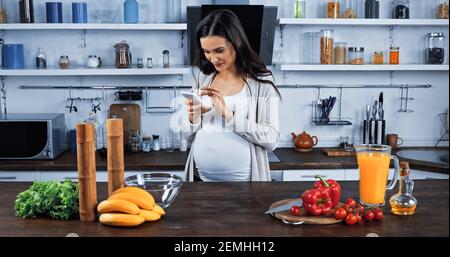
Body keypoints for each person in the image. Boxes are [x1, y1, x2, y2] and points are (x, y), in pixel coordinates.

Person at [182, 9, 280, 182]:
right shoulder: (203, 77)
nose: (213, 59)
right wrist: (193, 118)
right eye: (207, 51)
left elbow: (271, 139)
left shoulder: (262, 81)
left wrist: (228, 115)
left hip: (247, 184)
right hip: (200, 181)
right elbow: (187, 136)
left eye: (219, 50)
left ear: (237, 41)